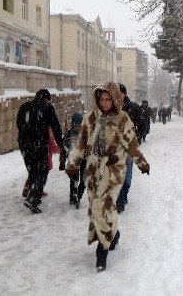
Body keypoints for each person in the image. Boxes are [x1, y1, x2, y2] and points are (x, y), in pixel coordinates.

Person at [65, 81, 150, 272]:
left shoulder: (123, 119)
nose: (104, 103)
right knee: (101, 208)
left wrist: (142, 164)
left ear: (115, 99)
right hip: (93, 173)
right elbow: (81, 144)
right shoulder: (90, 118)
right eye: (101, 99)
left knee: (102, 208)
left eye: (108, 99)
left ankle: (101, 251)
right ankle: (114, 233)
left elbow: (132, 145)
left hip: (113, 172)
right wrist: (73, 163)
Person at [17, 89, 62, 214]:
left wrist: (26, 136)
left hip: (24, 144)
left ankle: (33, 196)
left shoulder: (24, 106)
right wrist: (60, 142)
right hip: (39, 144)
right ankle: (33, 199)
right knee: (42, 172)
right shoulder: (47, 107)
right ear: (46, 98)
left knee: (32, 171)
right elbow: (55, 125)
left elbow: (19, 124)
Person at [115, 83, 145, 214]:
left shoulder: (133, 108)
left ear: (124, 94)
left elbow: (142, 123)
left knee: (127, 176)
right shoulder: (110, 109)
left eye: (118, 93)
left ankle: (123, 195)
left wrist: (136, 138)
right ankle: (119, 200)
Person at [59, 112, 86, 209]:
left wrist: (62, 163)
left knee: (74, 178)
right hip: (84, 159)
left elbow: (62, 149)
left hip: (72, 158)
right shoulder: (85, 133)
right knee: (84, 180)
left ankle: (73, 194)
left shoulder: (68, 133)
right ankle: (78, 195)